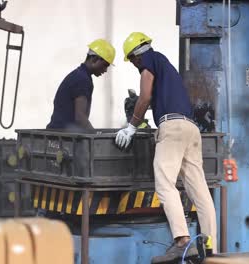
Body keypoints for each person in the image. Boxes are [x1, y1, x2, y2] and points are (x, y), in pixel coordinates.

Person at [115, 32, 217, 263]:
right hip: (191, 129)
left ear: (136, 57)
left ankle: (182, 240)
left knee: (164, 183)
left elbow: (144, 96)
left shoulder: (149, 61)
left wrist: (131, 126)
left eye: (132, 61)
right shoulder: (166, 65)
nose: (133, 66)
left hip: (172, 128)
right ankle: (208, 245)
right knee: (199, 190)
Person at [46, 39, 115, 132]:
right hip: (65, 136)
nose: (106, 70)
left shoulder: (79, 74)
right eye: (105, 65)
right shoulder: (82, 79)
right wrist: (95, 135)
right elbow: (80, 118)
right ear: (94, 59)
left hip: (59, 133)